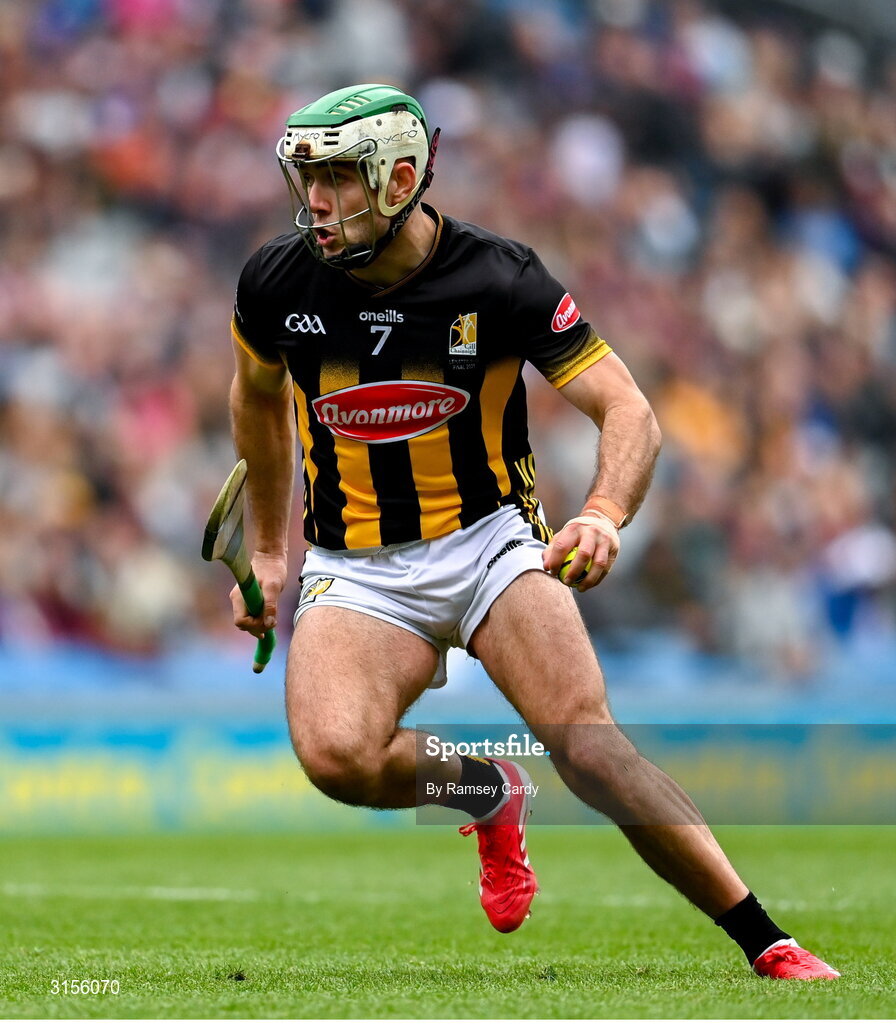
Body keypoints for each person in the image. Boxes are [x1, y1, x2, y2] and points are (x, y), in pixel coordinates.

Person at [227, 83, 839, 979]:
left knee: (588, 746)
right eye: (304, 177)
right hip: (356, 565)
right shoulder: (275, 282)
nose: (313, 201)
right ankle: (485, 790)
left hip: (490, 545)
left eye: (336, 179)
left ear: (398, 178)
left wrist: (602, 514)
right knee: (337, 758)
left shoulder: (500, 277)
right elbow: (255, 402)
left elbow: (629, 411)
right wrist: (274, 552)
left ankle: (767, 940)